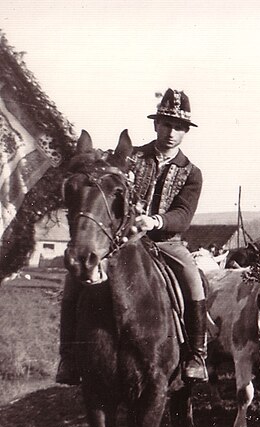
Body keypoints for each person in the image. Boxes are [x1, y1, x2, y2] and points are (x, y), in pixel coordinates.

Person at [56, 88, 208, 384]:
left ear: (186, 131)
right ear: (155, 125)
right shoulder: (131, 158)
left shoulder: (192, 173)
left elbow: (183, 215)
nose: (171, 132)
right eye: (165, 124)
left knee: (192, 276)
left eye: (178, 127)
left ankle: (196, 355)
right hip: (123, 240)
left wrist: (156, 220)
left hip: (166, 242)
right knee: (74, 279)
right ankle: (69, 357)